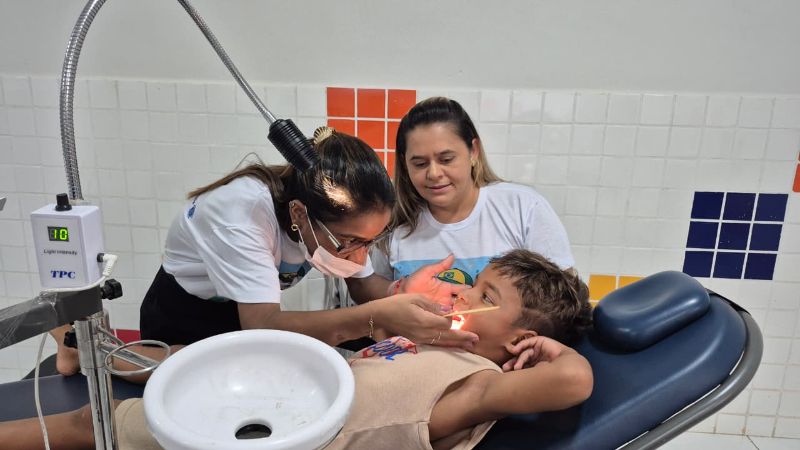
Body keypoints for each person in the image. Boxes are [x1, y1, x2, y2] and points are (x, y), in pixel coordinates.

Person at [3, 249, 593, 450]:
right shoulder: (426, 342)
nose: (462, 292)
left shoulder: (478, 383)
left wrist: (551, 350)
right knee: (194, 355)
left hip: (290, 437)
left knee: (92, 424)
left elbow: (573, 383)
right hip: (289, 400)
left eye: (485, 295)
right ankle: (92, 352)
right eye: (473, 281)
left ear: (519, 340)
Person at [51, 127, 477, 376]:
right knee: (185, 373)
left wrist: (403, 293)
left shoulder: (335, 218)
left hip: (247, 312)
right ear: (299, 213)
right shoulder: (239, 214)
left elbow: (365, 286)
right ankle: (84, 348)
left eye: (369, 242)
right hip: (186, 313)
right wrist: (378, 316)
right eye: (349, 242)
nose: (357, 255)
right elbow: (262, 324)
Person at [346, 97, 575, 305]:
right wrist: (400, 291)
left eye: (446, 159)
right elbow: (367, 291)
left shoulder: (522, 207)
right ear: (405, 164)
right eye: (420, 164)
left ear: (473, 151)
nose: (434, 173)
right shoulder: (394, 222)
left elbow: (564, 295)